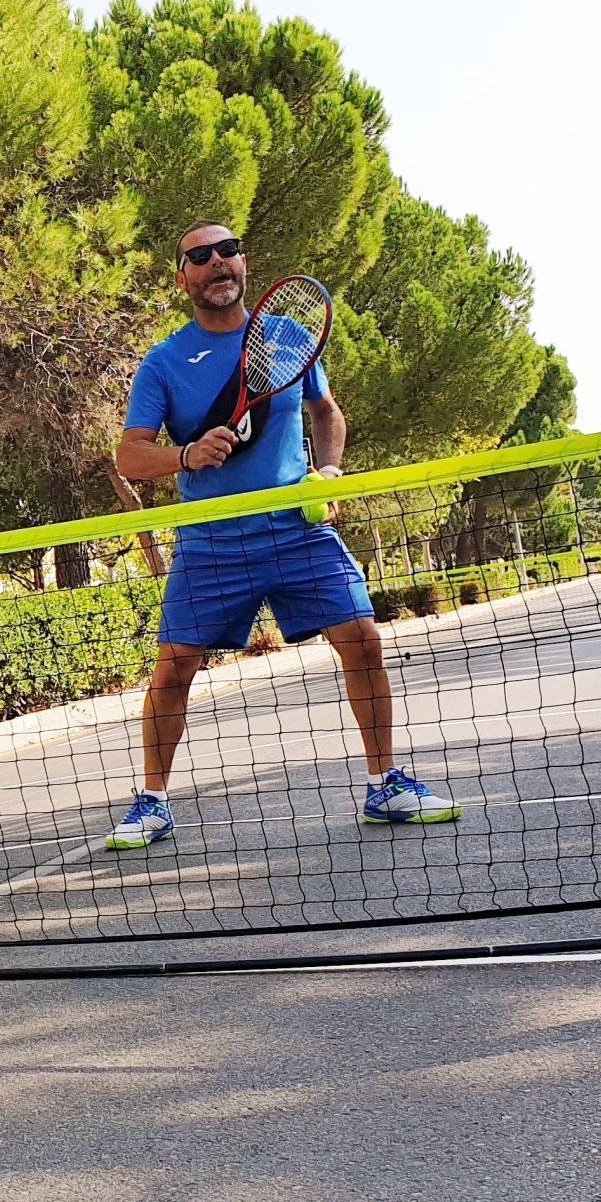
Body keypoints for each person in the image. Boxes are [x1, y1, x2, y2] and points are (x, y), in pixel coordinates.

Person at [105, 223, 458, 850]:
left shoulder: (288, 335)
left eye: (228, 251)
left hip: (298, 528)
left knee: (363, 638)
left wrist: (329, 471)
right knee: (173, 671)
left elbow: (326, 412)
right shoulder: (163, 363)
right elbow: (131, 456)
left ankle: (385, 784)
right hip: (211, 541)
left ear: (244, 263)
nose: (218, 263)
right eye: (201, 256)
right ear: (183, 275)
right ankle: (151, 802)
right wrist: (184, 456)